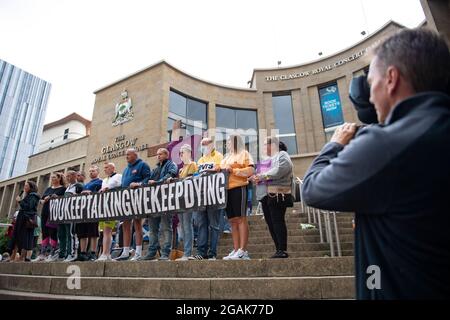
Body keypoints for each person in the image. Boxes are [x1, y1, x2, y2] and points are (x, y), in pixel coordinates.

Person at [301, 28, 450, 299]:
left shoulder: (386, 145)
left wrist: (334, 144)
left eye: (373, 83)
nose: (370, 98)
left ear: (391, 79)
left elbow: (311, 188)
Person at [251, 137, 293, 258]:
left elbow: (281, 169)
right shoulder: (269, 159)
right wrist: (256, 177)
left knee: (277, 221)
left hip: (278, 194)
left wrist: (263, 176)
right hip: (267, 195)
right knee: (271, 223)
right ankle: (278, 249)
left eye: (265, 144)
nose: (264, 148)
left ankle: (282, 249)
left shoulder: (282, 155)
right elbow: (265, 175)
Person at [221, 134, 254, 260]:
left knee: (241, 218)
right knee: (232, 221)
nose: (227, 144)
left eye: (229, 141)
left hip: (239, 188)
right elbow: (222, 169)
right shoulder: (226, 157)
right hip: (226, 190)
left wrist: (234, 171)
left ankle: (243, 251)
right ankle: (236, 250)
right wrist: (216, 169)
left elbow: (251, 171)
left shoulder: (244, 153)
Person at [114, 149, 151, 261]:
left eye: (128, 154)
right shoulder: (125, 169)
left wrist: (139, 184)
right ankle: (125, 252)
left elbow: (148, 178)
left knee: (137, 224)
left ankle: (138, 252)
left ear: (135, 155)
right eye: (126, 155)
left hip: (138, 198)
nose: (126, 156)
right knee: (125, 225)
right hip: (126, 200)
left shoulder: (143, 164)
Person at [142, 148, 178, 261]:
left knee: (166, 227)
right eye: (157, 154)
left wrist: (157, 182)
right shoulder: (156, 168)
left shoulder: (171, 164)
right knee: (153, 229)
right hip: (154, 202)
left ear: (166, 155)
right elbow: (148, 180)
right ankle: (151, 252)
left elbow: (170, 175)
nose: (158, 156)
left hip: (166, 201)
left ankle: (165, 253)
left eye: (160, 154)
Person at [194, 137, 224, 260]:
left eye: (205, 144)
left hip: (214, 195)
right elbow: (196, 175)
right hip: (201, 196)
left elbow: (219, 168)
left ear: (211, 145)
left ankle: (212, 253)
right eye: (202, 144)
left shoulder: (218, 155)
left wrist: (208, 170)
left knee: (214, 225)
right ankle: (201, 252)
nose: (203, 146)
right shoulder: (200, 159)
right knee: (201, 224)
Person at [34, 172, 66, 262]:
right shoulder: (48, 189)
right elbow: (41, 200)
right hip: (45, 212)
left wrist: (56, 197)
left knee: (53, 232)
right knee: (44, 232)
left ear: (59, 178)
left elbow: (64, 200)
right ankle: (42, 253)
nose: (52, 179)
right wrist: (44, 200)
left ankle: (52, 253)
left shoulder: (63, 189)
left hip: (54, 213)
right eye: (52, 177)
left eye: (54, 177)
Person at [174, 144, 197, 261]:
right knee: (183, 226)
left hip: (189, 199)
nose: (181, 155)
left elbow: (193, 179)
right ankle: (186, 253)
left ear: (189, 153)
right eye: (180, 153)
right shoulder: (181, 169)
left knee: (187, 226)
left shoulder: (192, 165)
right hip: (181, 199)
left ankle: (188, 253)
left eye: (182, 153)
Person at [76, 166, 103, 261]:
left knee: (93, 232)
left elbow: (101, 193)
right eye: (90, 171)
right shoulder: (86, 184)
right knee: (83, 232)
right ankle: (82, 253)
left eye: (93, 171)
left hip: (94, 209)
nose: (91, 172)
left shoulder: (100, 182)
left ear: (98, 172)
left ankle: (93, 253)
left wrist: (91, 192)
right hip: (84, 210)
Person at [97, 162, 122, 261]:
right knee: (105, 232)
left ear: (113, 168)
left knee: (108, 230)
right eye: (104, 168)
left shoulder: (118, 176)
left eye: (107, 167)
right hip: (104, 206)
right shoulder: (104, 180)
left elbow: (118, 185)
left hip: (112, 206)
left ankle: (106, 253)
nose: (105, 169)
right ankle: (106, 254)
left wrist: (108, 188)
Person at [10, 181, 40, 262]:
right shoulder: (28, 196)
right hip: (21, 219)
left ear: (31, 187)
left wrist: (20, 201)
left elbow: (28, 207)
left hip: (27, 220)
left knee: (25, 238)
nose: (25, 187)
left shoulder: (34, 196)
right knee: (18, 237)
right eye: (25, 186)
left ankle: (22, 258)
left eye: (26, 186)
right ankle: (13, 257)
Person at [59, 170, 83, 262]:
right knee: (65, 233)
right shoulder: (68, 187)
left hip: (73, 213)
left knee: (71, 233)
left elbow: (82, 198)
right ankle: (66, 252)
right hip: (65, 213)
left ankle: (71, 253)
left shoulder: (78, 186)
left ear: (74, 176)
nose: (67, 178)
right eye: (66, 176)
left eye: (69, 176)